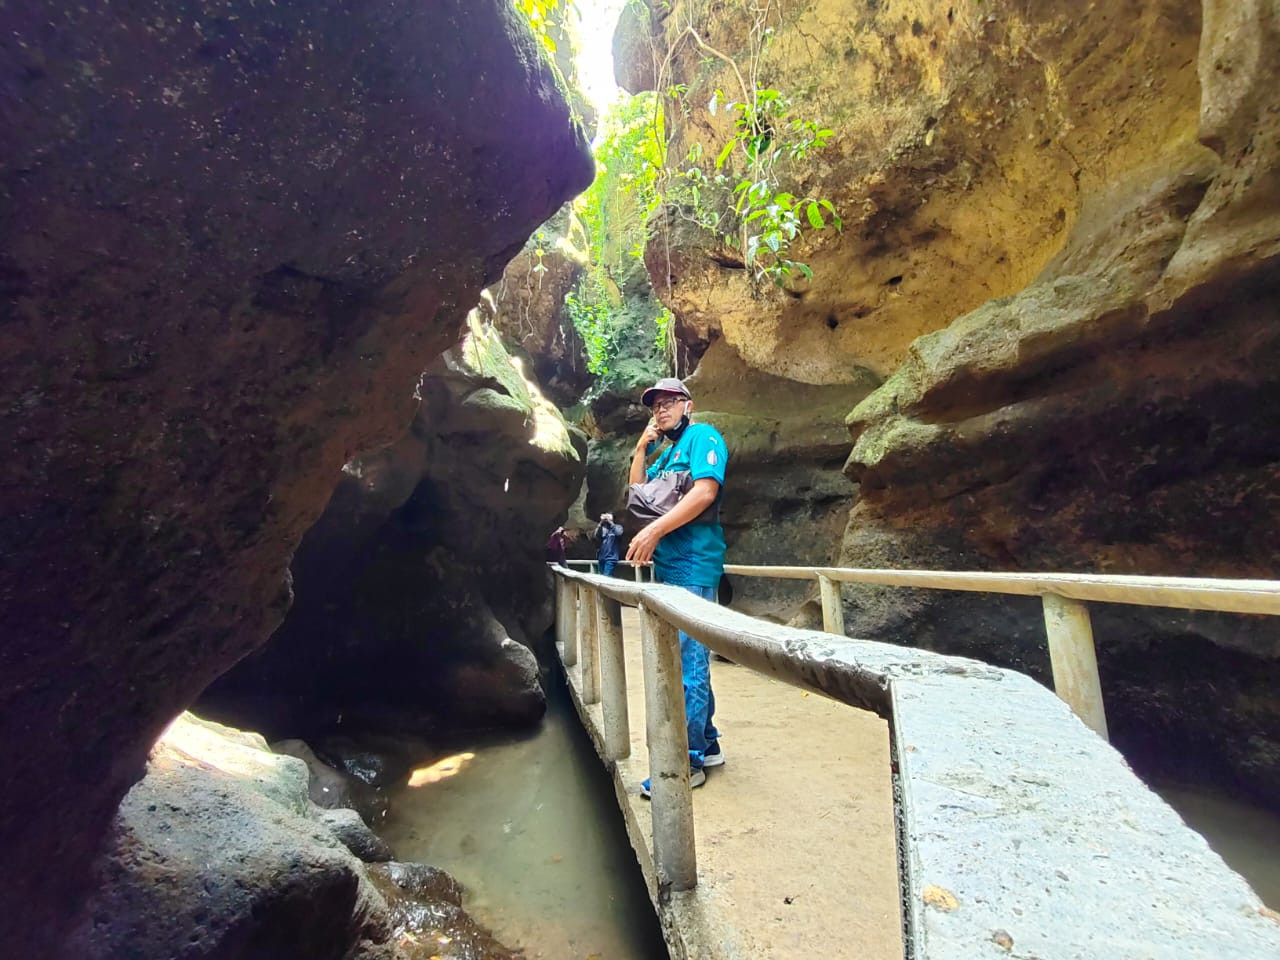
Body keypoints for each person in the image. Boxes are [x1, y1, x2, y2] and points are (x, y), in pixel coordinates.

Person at [625, 377, 728, 795]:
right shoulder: (666, 455)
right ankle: (710, 742)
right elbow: (637, 497)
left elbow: (704, 492)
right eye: (655, 406)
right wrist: (640, 449)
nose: (661, 410)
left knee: (687, 665)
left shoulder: (703, 436)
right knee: (688, 658)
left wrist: (653, 533)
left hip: (694, 562)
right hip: (671, 565)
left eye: (669, 402)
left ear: (689, 405)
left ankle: (688, 762)